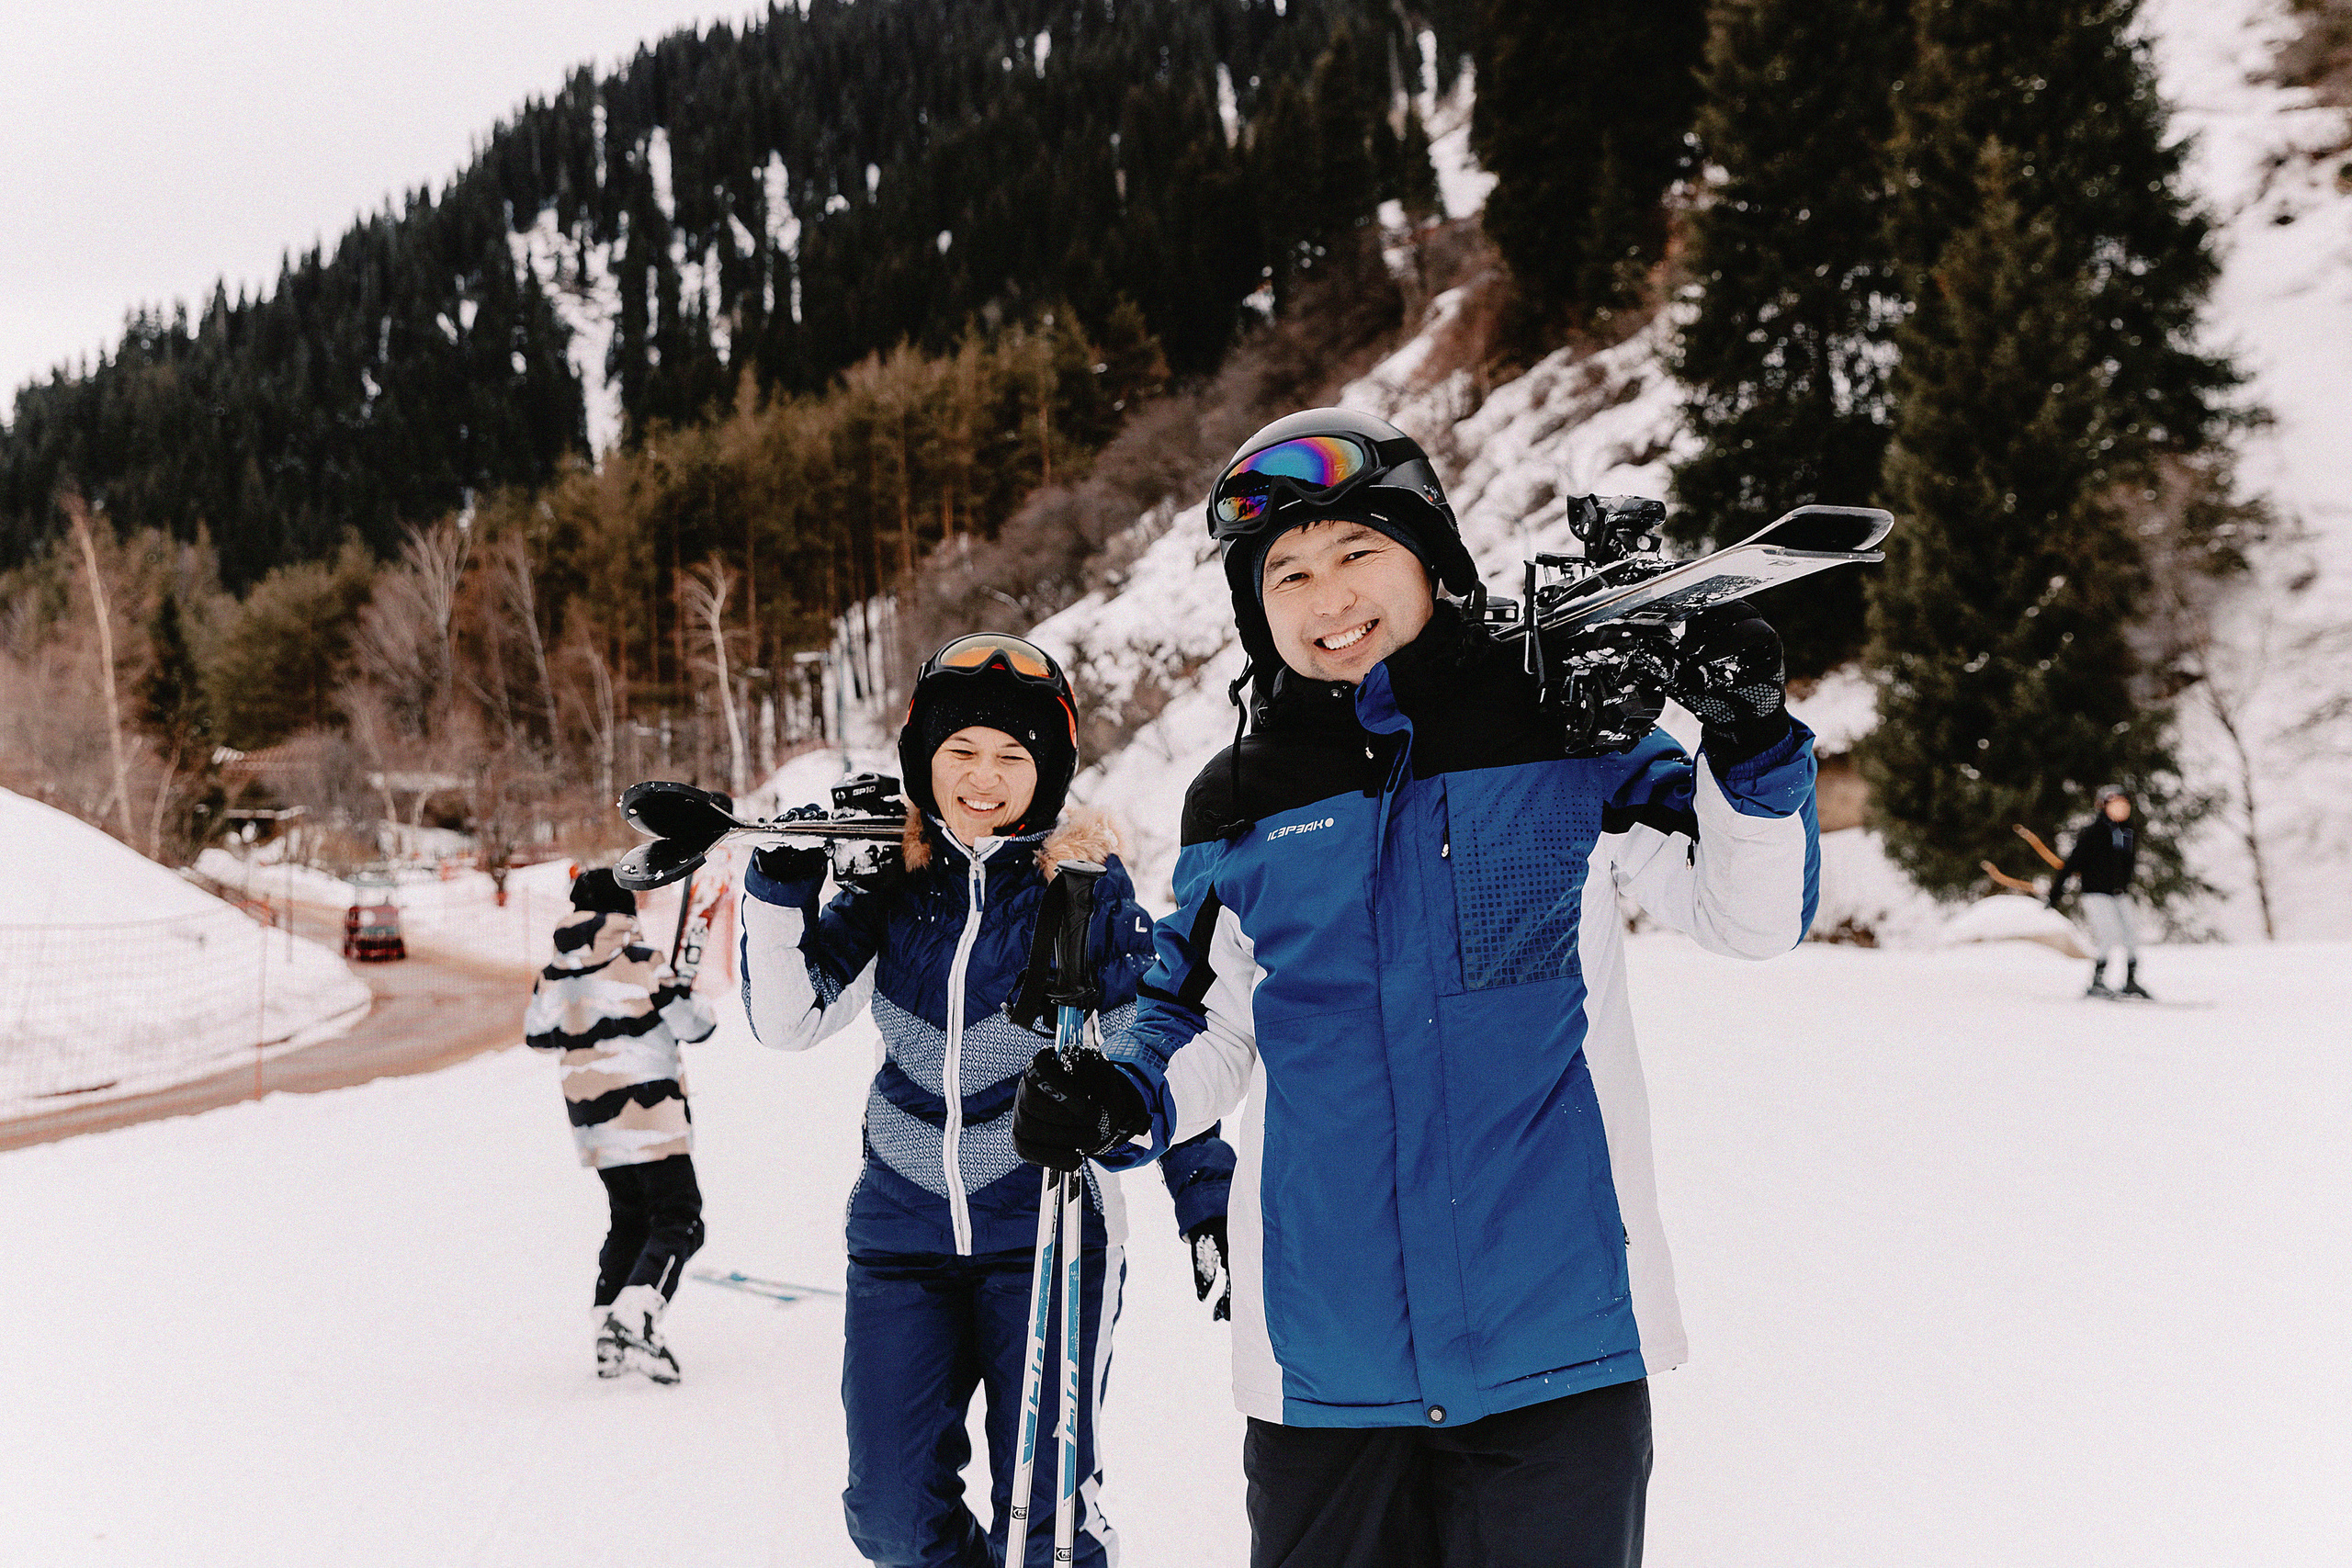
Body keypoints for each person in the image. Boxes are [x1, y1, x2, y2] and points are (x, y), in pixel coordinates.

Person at [1011, 409, 1821, 1568]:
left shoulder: (1557, 726)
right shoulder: (1236, 798)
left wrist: (1746, 742)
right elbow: (1202, 1023)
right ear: (1256, 609)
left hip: (1557, 1343)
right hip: (1325, 1368)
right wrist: (1119, 1099)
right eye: (1284, 573)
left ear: (1431, 558)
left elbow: (1745, 916)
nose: (1325, 597)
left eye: (1356, 554)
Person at [739, 634, 1236, 1568]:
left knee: (1043, 1521)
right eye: (961, 750)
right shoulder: (896, 888)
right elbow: (786, 1019)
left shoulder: (1082, 890)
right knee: (887, 1516)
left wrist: (1203, 1194)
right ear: (923, 760)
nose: (985, 776)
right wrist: (779, 891)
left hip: (1047, 1236)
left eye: (1014, 756)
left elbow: (1150, 1045)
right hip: (899, 1239)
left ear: (1047, 774)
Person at [525, 866, 718, 1384]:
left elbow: (537, 1033)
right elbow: (696, 1026)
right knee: (681, 1218)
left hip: (592, 1119)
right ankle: (636, 1317)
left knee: (630, 1219)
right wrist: (678, 990)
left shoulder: (553, 972)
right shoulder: (641, 962)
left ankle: (607, 1334)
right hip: (648, 1112)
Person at [2046, 785, 2148, 998]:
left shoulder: (2127, 832)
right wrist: (2055, 894)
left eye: (2124, 804)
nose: (2121, 808)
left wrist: (2124, 884)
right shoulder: (2093, 833)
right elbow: (2072, 863)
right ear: (2104, 806)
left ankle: (2130, 981)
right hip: (2096, 893)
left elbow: (2128, 865)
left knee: (2131, 934)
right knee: (2108, 936)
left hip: (2119, 893)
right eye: (2115, 803)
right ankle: (2097, 981)